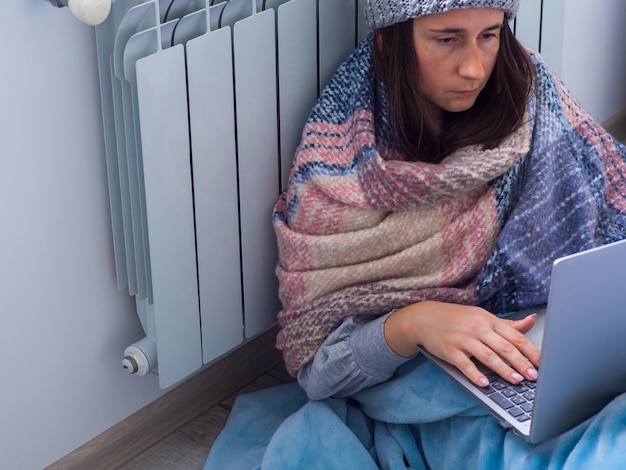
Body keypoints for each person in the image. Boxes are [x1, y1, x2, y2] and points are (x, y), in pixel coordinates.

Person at [205, 1, 626, 468]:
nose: (474, 68)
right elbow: (319, 373)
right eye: (446, 39)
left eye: (489, 34)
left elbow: (611, 212)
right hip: (453, 397)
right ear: (390, 39)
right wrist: (412, 323)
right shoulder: (337, 171)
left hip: (561, 358)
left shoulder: (530, 92)